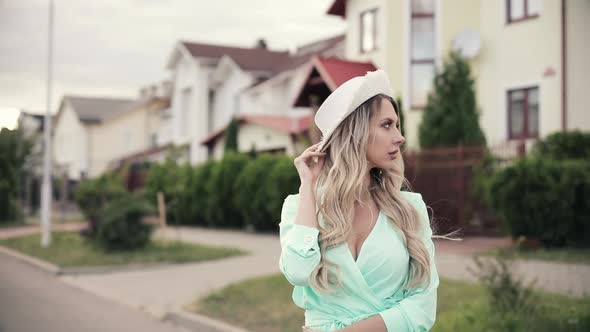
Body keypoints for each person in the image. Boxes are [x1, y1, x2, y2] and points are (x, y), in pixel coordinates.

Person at [278, 69, 438, 332]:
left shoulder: (410, 209)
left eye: (397, 125)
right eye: (387, 125)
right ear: (356, 132)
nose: (400, 136)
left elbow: (423, 307)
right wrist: (308, 186)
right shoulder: (299, 207)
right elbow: (297, 271)